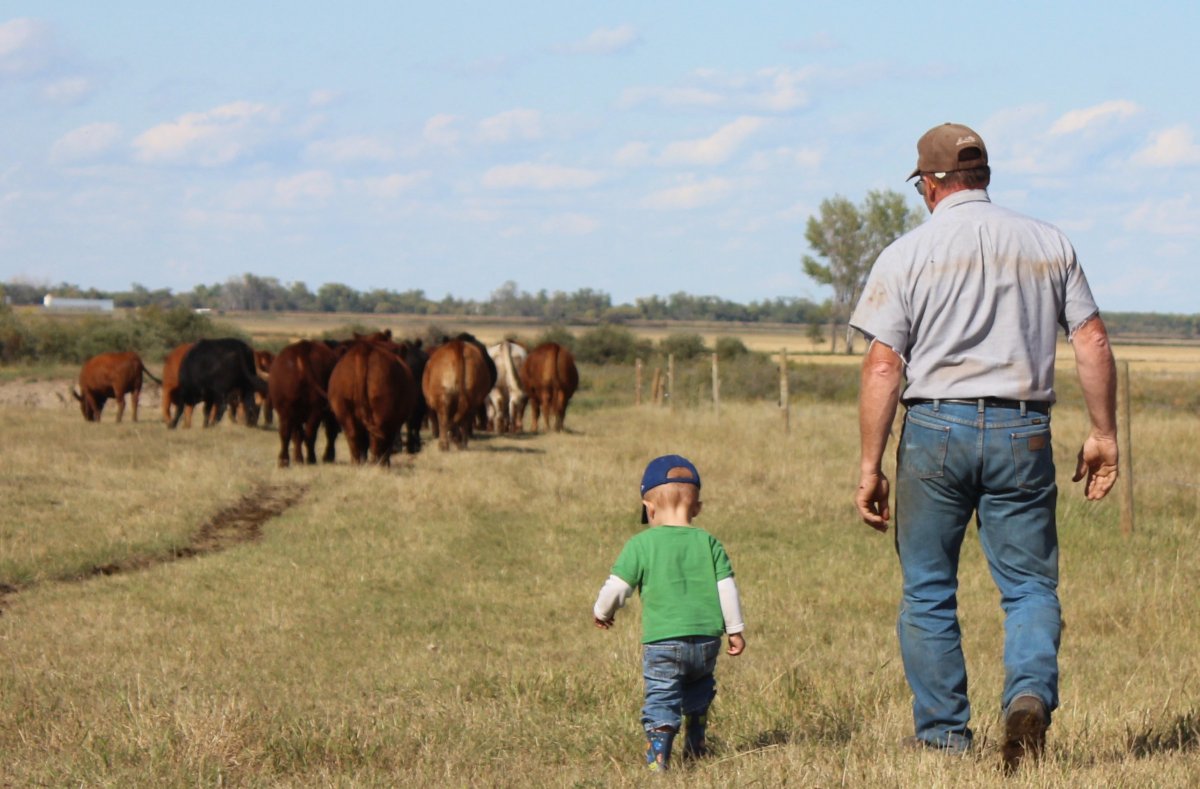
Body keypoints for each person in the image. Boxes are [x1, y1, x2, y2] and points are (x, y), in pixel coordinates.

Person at [849, 123, 1119, 771]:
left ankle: (943, 736)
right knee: (1028, 585)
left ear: (931, 184)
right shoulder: (1049, 242)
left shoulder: (907, 253)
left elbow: (884, 366)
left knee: (929, 588)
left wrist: (868, 465)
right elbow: (1092, 342)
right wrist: (1104, 432)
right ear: (984, 177)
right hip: (1023, 428)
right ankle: (1026, 696)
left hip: (934, 429)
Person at [592, 454, 746, 771]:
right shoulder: (710, 542)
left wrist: (602, 611)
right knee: (699, 689)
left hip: (662, 642)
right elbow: (726, 588)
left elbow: (617, 587)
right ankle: (696, 744)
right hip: (706, 641)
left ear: (649, 508)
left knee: (662, 696)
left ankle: (658, 759)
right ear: (698, 508)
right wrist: (735, 629)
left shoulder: (641, 545)